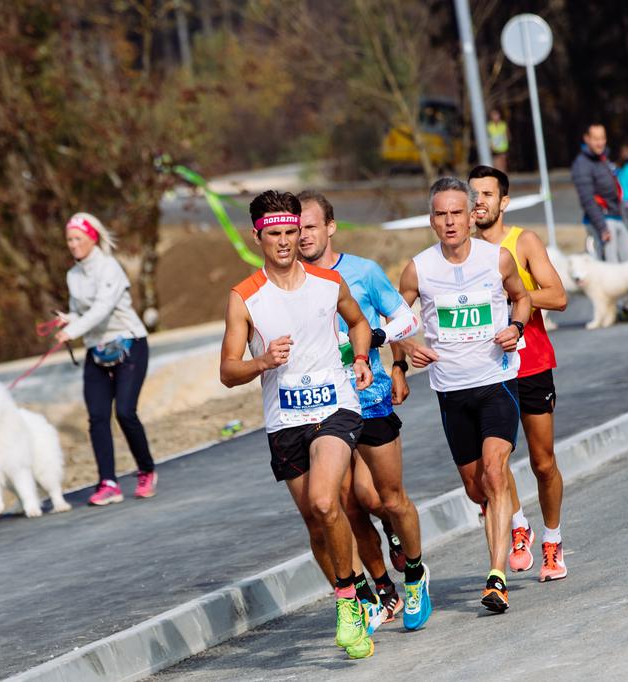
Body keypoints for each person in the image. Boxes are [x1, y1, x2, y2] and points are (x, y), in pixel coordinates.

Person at [219, 190, 375, 659]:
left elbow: (359, 323)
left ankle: (349, 603)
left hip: (335, 407)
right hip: (284, 418)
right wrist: (263, 360)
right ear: (257, 237)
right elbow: (228, 371)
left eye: (292, 232)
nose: (286, 242)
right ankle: (354, 591)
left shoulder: (328, 282)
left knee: (328, 500)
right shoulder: (245, 297)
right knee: (313, 518)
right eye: (275, 235)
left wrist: (363, 356)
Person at [297, 190, 432, 632]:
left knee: (385, 498)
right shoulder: (289, 284)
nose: (301, 236)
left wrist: (378, 345)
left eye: (310, 227)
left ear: (330, 228)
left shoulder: (363, 272)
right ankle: (380, 590)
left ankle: (414, 575)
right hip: (324, 405)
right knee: (342, 504)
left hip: (369, 396)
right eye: (295, 229)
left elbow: (407, 322)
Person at [396, 177, 531, 613]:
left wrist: (516, 327)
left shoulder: (498, 258)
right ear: (432, 221)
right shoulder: (419, 268)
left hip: (496, 381)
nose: (450, 221)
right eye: (441, 214)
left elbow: (522, 299)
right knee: (477, 489)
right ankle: (505, 517)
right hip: (451, 391)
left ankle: (496, 577)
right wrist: (406, 351)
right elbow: (396, 320)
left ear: (472, 215)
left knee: (495, 473)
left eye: (457, 212)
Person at [468, 166, 569, 583]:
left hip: (531, 364)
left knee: (543, 463)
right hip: (486, 369)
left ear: (503, 202)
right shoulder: (460, 252)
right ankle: (519, 526)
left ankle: (552, 539)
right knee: (495, 461)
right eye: (473, 194)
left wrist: (515, 298)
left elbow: (559, 296)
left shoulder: (522, 241)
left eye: (487, 194)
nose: (479, 202)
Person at [54, 213, 156, 506]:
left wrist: (73, 330)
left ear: (92, 238)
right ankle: (108, 482)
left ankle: (146, 470)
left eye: (78, 239)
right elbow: (83, 312)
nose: (73, 245)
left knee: (125, 412)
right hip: (96, 348)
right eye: (69, 240)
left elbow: (102, 309)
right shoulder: (73, 276)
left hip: (129, 343)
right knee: (97, 417)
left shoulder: (109, 267)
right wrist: (68, 320)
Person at [570, 123, 628, 263]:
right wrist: (602, 227)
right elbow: (587, 199)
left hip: (617, 216)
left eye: (602, 138)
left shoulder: (603, 158)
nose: (600, 143)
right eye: (595, 139)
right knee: (612, 268)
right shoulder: (582, 165)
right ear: (587, 139)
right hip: (603, 222)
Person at [487, 109, 510, 173]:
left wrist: (506, 139)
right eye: (493, 115)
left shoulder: (503, 125)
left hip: (503, 147)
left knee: (503, 163)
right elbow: (488, 137)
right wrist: (490, 144)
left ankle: (503, 176)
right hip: (494, 147)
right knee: (496, 163)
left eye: (496, 115)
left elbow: (507, 135)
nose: (495, 117)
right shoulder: (489, 126)